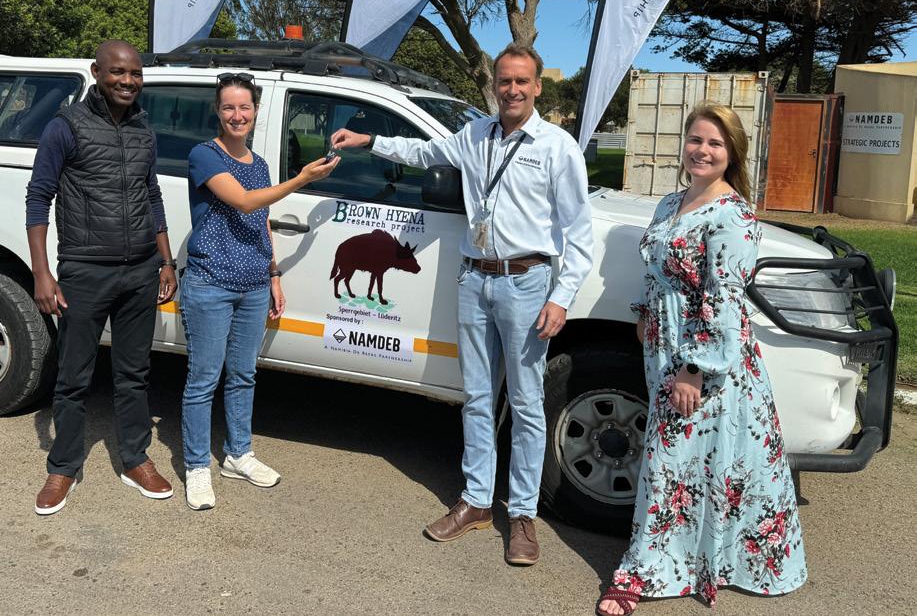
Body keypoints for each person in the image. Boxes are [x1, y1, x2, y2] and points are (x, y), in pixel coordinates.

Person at [331, 43, 594, 565]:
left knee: (525, 403)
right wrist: (369, 141)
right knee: (476, 396)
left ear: (538, 87)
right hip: (474, 279)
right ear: (494, 85)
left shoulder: (557, 147)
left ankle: (522, 515)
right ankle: (476, 501)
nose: (512, 90)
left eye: (522, 81)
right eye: (504, 81)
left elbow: (579, 233)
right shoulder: (473, 135)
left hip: (526, 282)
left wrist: (561, 297)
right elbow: (423, 151)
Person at [595, 103, 807, 615]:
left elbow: (724, 298)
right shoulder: (671, 202)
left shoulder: (734, 215)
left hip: (704, 357)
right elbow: (654, 266)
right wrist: (644, 311)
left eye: (714, 143)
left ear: (732, 152)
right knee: (695, 462)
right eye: (695, 140)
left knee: (670, 460)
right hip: (663, 347)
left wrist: (695, 368)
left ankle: (642, 572)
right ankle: (693, 561)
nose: (702, 151)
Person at [26, 40, 179, 515]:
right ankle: (63, 467)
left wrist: (166, 261)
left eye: (135, 73)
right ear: (97, 72)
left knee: (134, 375)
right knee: (73, 377)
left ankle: (135, 459)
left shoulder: (144, 130)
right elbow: (39, 197)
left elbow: (152, 195)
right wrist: (42, 273)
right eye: (117, 72)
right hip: (85, 270)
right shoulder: (66, 126)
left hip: (140, 272)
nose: (128, 81)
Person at [179, 73, 340, 511]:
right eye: (229, 107)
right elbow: (245, 202)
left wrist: (273, 274)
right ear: (218, 111)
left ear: (255, 111)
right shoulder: (204, 155)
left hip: (252, 285)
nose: (238, 115)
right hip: (211, 283)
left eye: (245, 107)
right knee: (203, 380)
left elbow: (260, 219)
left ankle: (238, 453)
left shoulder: (260, 164)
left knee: (244, 374)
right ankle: (197, 465)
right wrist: (303, 178)